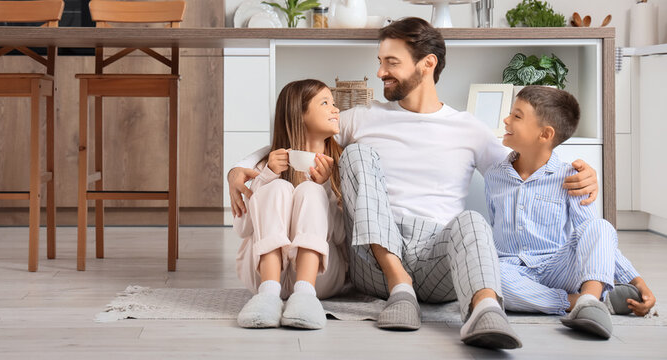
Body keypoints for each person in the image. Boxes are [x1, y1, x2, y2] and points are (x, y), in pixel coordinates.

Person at [229, 17, 601, 349]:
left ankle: (486, 310)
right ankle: (399, 286)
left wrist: (576, 172)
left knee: (472, 222)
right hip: (373, 259)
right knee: (359, 155)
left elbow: (524, 168)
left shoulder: (468, 128)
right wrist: (242, 166)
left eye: (391, 63)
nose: (380, 73)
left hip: (435, 257)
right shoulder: (364, 118)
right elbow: (299, 133)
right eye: (380, 62)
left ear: (427, 64)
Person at [485, 86, 657, 339]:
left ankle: (590, 298)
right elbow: (492, 223)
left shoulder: (572, 178)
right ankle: (585, 302)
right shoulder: (494, 176)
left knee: (600, 226)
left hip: (559, 266)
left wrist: (638, 283)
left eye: (517, 116)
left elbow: (595, 238)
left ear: (545, 134)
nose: (506, 120)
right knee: (494, 280)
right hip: (512, 269)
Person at [233, 79, 347, 330]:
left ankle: (305, 294)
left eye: (334, 103)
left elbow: (341, 235)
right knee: (279, 187)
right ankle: (269, 293)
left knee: (310, 190)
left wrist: (325, 188)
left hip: (320, 277)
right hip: (262, 277)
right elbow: (243, 229)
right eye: (325, 103)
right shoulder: (267, 163)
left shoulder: (341, 165)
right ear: (300, 113)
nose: (336, 109)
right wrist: (266, 178)